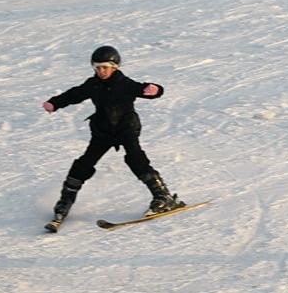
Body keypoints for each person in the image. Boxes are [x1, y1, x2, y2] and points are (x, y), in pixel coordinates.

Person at [42, 45, 184, 228]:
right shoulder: (92, 85)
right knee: (84, 164)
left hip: (126, 129)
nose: (101, 71)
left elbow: (143, 89)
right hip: (103, 132)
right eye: (97, 67)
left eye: (105, 67)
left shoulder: (124, 83)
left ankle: (162, 196)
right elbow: (74, 94)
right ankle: (64, 203)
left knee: (135, 158)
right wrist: (54, 103)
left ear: (115, 67)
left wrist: (155, 90)